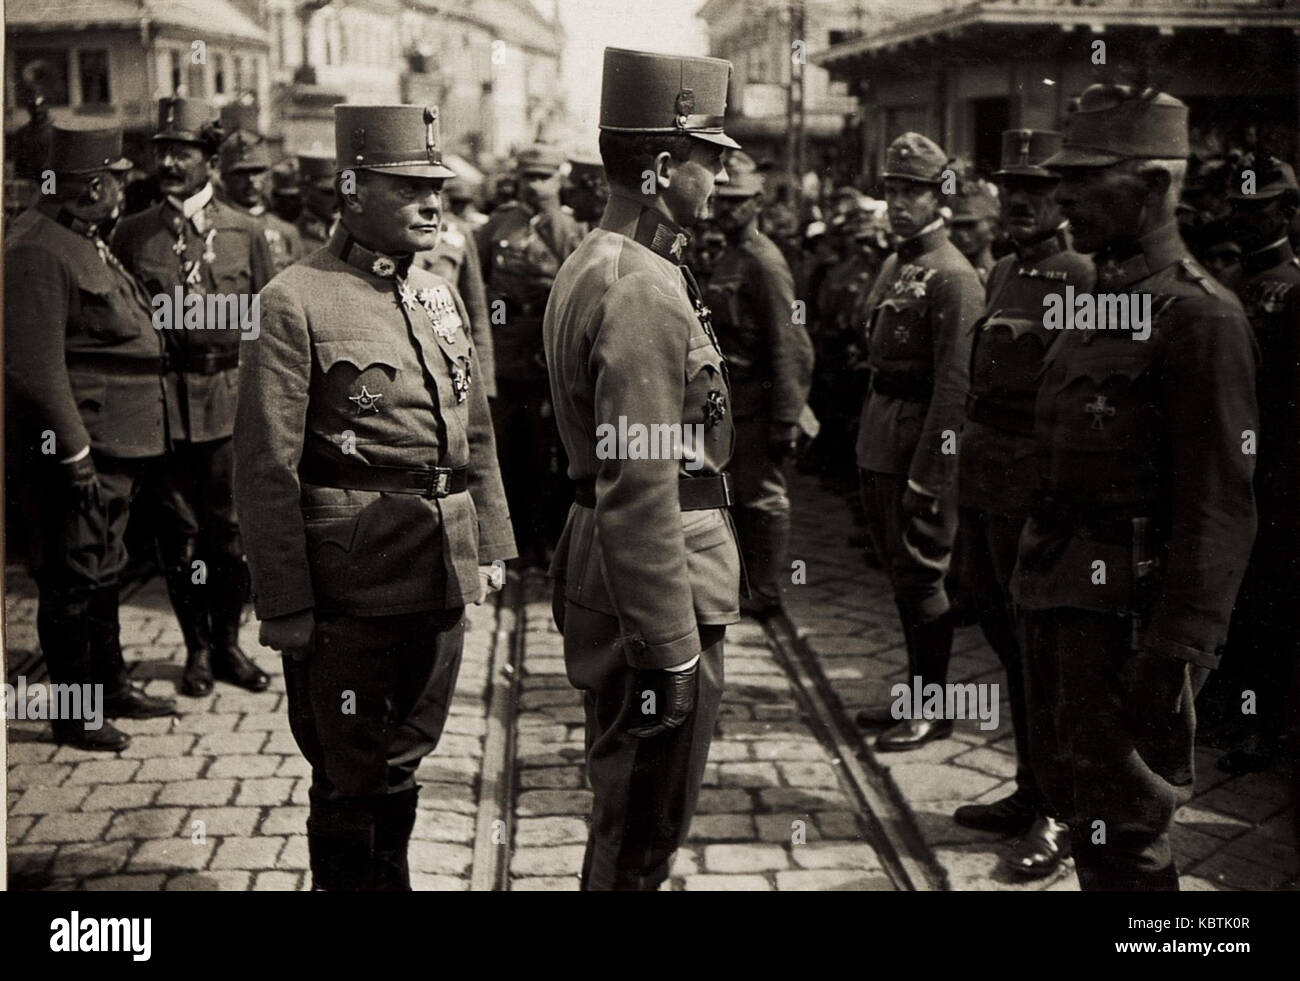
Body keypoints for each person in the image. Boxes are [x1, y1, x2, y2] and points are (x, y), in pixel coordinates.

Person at [233, 104, 515, 891]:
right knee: (349, 766)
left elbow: (475, 429)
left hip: (439, 567)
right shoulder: (295, 300)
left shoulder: (438, 295)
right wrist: (284, 601)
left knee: (407, 753)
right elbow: (265, 468)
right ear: (351, 189)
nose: (434, 203)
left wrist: (489, 542)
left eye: (439, 188)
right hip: (349, 582)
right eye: (411, 188)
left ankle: (389, 879)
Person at [1014, 84, 1258, 891]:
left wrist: (1177, 656)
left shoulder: (1202, 318)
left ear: (1155, 184)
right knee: (1087, 819)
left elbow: (1219, 505)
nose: (1065, 195)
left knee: (1129, 841)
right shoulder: (1101, 299)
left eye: (1090, 176)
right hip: (1060, 601)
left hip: (1130, 625)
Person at [544, 46, 741, 891]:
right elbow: (641, 481)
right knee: (643, 830)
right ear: (663, 167)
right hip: (657, 583)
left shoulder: (603, 259)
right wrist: (669, 646)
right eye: (711, 160)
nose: (723, 179)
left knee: (627, 810)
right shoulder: (642, 287)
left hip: (616, 566)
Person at [5, 121, 177, 751]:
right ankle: (75, 714)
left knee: (104, 569)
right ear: (95, 185)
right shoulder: (36, 249)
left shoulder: (80, 239)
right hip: (83, 446)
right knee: (73, 579)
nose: (126, 189)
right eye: (120, 178)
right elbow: (34, 366)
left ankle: (111, 684)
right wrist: (73, 450)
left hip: (117, 441)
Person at [949, 129, 1093, 877]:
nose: (1021, 206)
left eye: (1036, 194)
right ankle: (1031, 785)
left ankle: (1062, 813)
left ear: (1063, 199)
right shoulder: (1003, 268)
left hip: (1037, 487)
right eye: (1013, 194)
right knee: (1007, 641)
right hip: (986, 482)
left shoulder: (1083, 277)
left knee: (1048, 659)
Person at [112, 96, 273, 699]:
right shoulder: (132, 233)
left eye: (182, 152)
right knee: (175, 532)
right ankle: (196, 648)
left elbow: (264, 325)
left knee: (228, 530)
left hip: (230, 397)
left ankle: (229, 643)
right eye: (161, 152)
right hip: (164, 401)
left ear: (210, 158)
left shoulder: (246, 231)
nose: (169, 163)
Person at [852, 132, 984, 751]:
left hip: (916, 443)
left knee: (924, 576)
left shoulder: (953, 277)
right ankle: (915, 696)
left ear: (940, 198)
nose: (899, 203)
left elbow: (955, 387)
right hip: (882, 431)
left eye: (914, 192)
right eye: (892, 191)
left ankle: (934, 708)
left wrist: (931, 473)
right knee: (902, 578)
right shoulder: (898, 262)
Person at [1211, 154, 1300, 774]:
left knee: (1267, 601)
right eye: (1238, 210)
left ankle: (1259, 726)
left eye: (1257, 210)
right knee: (1225, 592)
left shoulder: (1293, 286)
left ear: (1289, 213)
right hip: (1223, 460)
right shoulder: (1226, 281)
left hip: (1272, 470)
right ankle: (1225, 707)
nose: (1243, 221)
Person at [705, 151, 813, 617]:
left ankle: (767, 593)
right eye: (721, 200)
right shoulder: (728, 255)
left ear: (757, 205)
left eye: (737, 202)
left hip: (758, 401)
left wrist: (787, 418)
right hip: (731, 402)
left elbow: (791, 345)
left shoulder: (765, 262)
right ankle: (746, 583)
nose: (725, 210)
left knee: (762, 498)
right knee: (738, 497)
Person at [478, 143, 583, 566]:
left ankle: (549, 540)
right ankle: (515, 541)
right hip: (507, 353)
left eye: (545, 177)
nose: (537, 186)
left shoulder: (572, 232)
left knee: (551, 455)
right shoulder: (498, 226)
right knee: (508, 452)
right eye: (529, 178)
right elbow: (479, 281)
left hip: (549, 357)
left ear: (560, 180)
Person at [414, 189, 496, 397]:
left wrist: (484, 383)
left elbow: (476, 310)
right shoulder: (380, 233)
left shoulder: (456, 233)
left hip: (447, 355)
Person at [216, 102, 304, 275]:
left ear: (268, 175)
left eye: (257, 171)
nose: (250, 180)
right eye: (240, 173)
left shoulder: (286, 233)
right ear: (224, 177)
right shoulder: (214, 230)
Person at [948, 181, 1000, 283]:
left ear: (993, 228)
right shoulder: (945, 275)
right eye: (957, 226)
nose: (961, 233)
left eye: (969, 225)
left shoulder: (1003, 277)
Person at [295, 152, 339, 251]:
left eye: (341, 194)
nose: (337, 200)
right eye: (328, 193)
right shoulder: (295, 235)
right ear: (305, 191)